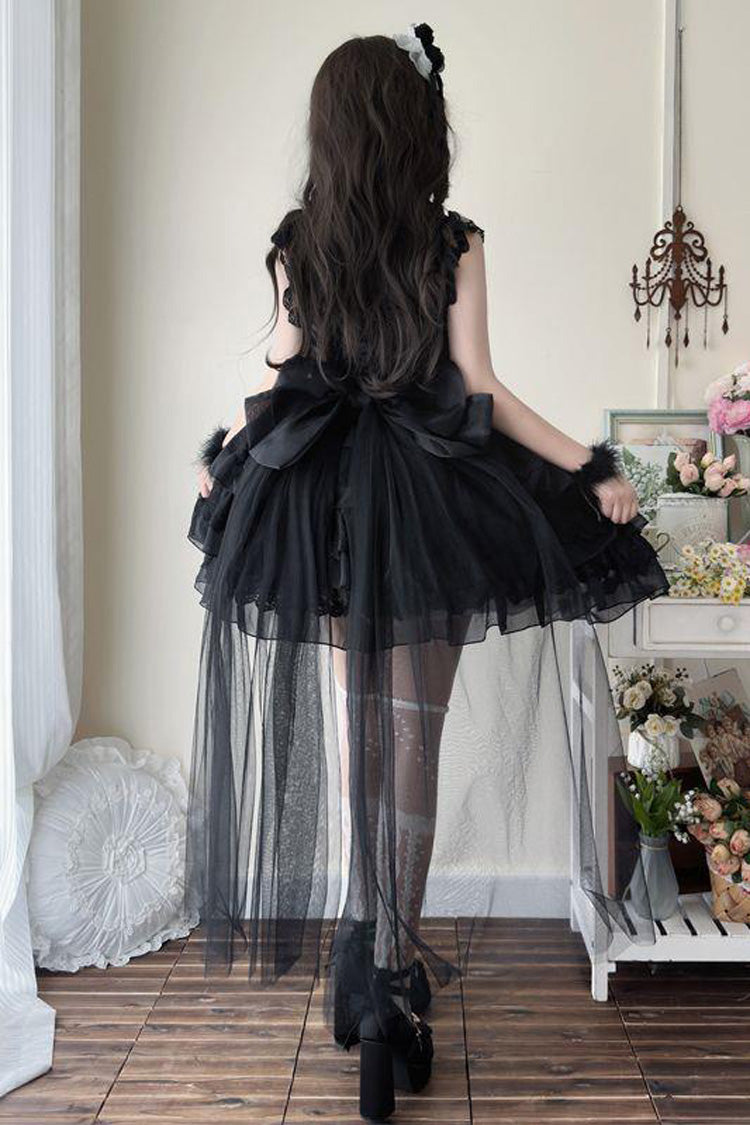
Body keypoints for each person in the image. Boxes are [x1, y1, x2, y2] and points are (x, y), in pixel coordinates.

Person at [185, 23, 669, 1122]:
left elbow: (280, 378)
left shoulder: (298, 243)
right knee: (413, 740)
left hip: (328, 514)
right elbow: (479, 386)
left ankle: (365, 963)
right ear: (414, 130)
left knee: (361, 738)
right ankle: (392, 969)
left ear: (333, 135)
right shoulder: (453, 242)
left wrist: (227, 456)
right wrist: (590, 464)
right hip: (432, 506)